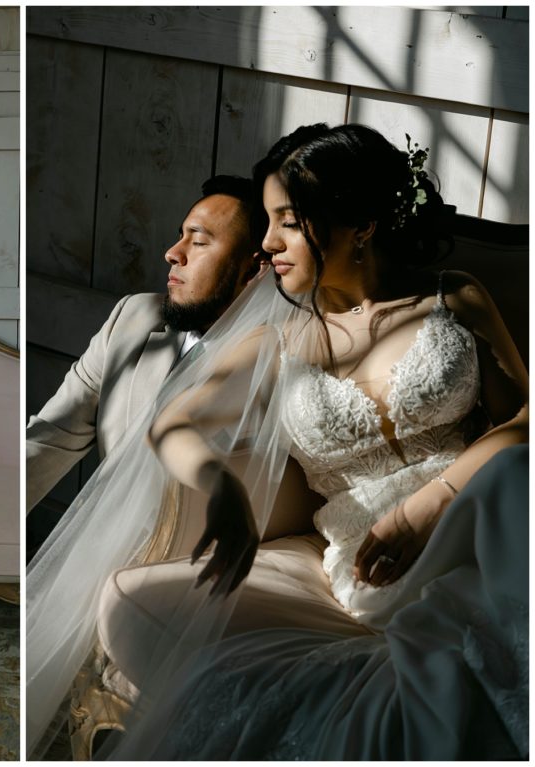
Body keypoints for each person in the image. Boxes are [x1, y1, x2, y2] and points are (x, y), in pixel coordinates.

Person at [26, 124, 527, 759]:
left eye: (286, 222)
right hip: (370, 561)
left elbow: (523, 421)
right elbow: (171, 424)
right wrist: (222, 489)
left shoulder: (453, 298)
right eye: (267, 222)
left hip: (475, 521)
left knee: (515, 478)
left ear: (359, 224)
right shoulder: (280, 339)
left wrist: (435, 500)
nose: (268, 244)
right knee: (131, 605)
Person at [27, 175, 262, 513]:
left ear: (253, 267)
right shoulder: (132, 319)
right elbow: (51, 435)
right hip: (99, 543)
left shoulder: (278, 362)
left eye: (198, 242)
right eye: (179, 236)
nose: (172, 253)